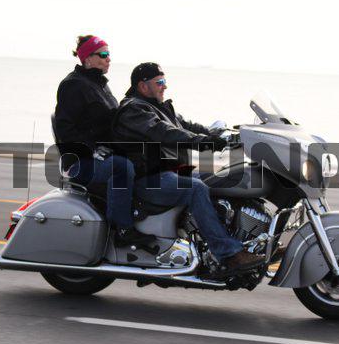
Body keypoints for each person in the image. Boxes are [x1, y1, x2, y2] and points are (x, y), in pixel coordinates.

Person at [112, 62, 265, 272]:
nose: (165, 86)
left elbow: (187, 126)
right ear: (143, 85)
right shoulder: (134, 110)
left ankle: (247, 239)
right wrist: (204, 142)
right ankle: (228, 253)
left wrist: (225, 135)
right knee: (196, 189)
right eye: (160, 82)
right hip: (149, 178)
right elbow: (165, 132)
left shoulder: (158, 106)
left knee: (223, 179)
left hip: (169, 172)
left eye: (164, 81)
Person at [54, 35, 145, 243]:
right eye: (103, 54)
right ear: (87, 58)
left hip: (102, 154)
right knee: (121, 168)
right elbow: (64, 129)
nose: (108, 58)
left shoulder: (100, 85)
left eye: (108, 54)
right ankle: (122, 228)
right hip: (80, 162)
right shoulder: (73, 85)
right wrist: (92, 149)